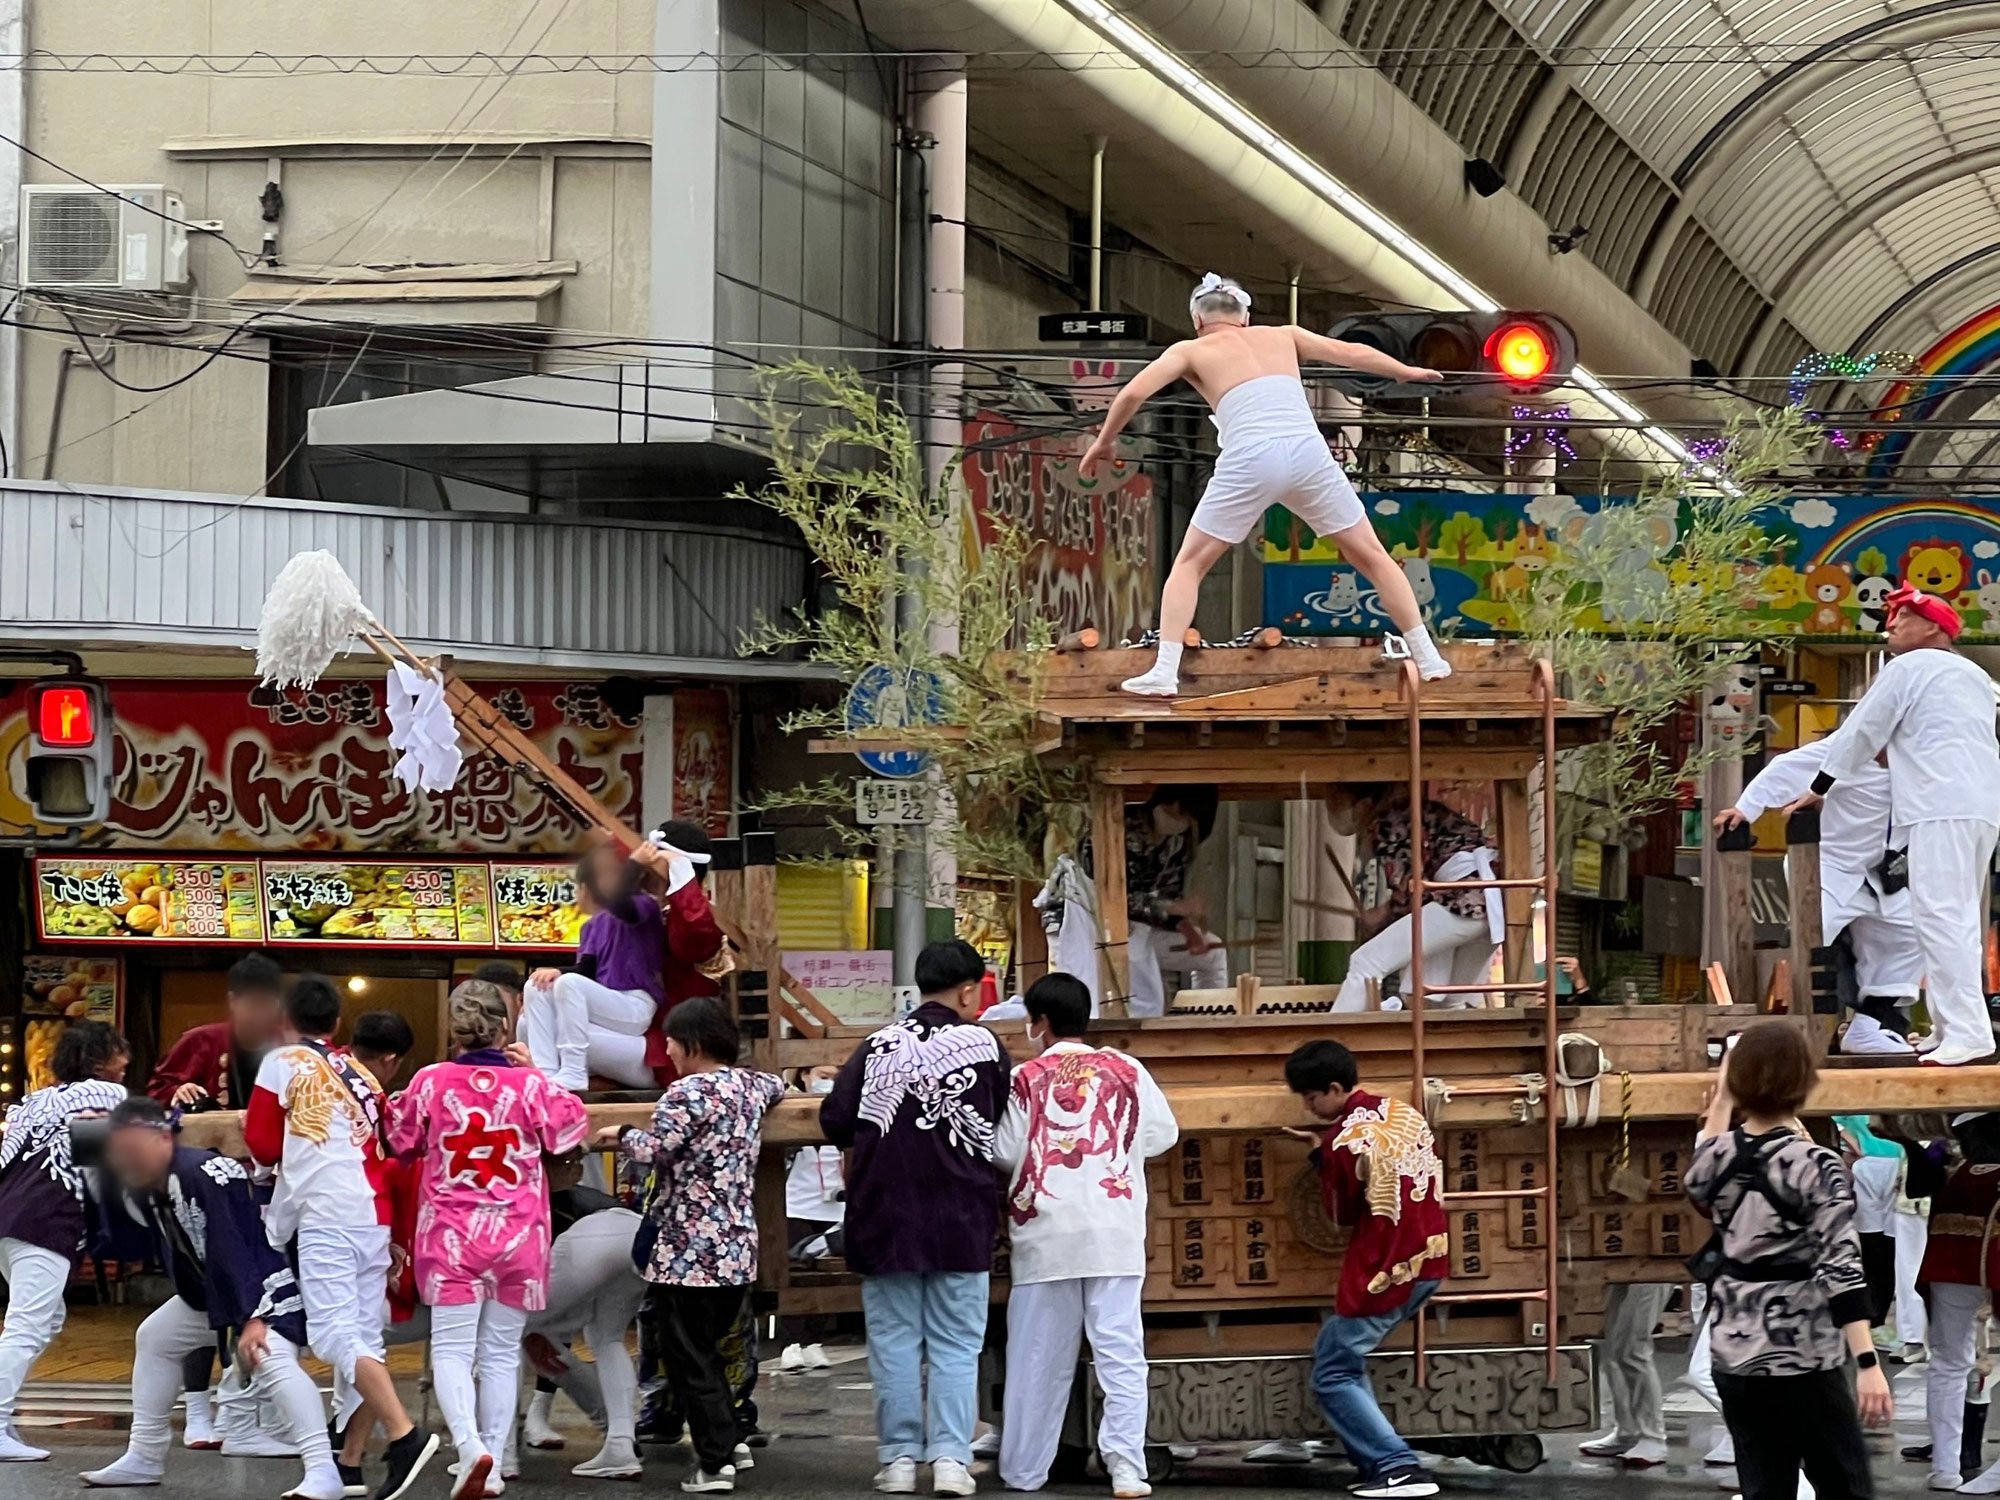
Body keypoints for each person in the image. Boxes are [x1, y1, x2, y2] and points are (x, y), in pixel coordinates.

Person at [1076, 273, 1449, 696]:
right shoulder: (1282, 335)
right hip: (1308, 453)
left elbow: (1130, 395)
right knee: (1372, 557)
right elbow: (1351, 352)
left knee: (1190, 564)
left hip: (1250, 457)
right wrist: (1405, 372)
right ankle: (1428, 655)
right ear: (1246, 316)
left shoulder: (1191, 349)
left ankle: (1165, 670)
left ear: (1197, 317)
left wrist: (1104, 442)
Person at [820, 941, 1012, 1499]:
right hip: (961, 1214)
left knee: (894, 1340)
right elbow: (1001, 1116)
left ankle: (899, 1458)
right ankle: (952, 1459)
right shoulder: (985, 1045)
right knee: (957, 1343)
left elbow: (836, 1121)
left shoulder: (877, 1044)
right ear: (970, 989)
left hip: (885, 1215)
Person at [80, 1097, 340, 1497]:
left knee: (269, 1356)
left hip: (267, 1285)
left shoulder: (206, 1171)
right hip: (214, 1291)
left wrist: (253, 1316)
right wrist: (88, 1140)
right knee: (156, 1337)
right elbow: (116, 1237)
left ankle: (324, 1469)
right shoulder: (143, 1178)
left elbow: (236, 1244)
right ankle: (145, 1455)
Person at [1785, 585, 2000, 1066]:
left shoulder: (1910, 667)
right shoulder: (1975, 676)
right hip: (1977, 807)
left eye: (1903, 616)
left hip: (1938, 804)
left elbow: (1863, 729)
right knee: (1958, 917)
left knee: (1940, 916)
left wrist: (1820, 786)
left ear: (1933, 627)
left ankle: (1966, 1031)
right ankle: (1955, 1029)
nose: (1893, 624)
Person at [389, 981, 587, 1500]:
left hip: (452, 1235)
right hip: (519, 1235)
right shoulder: (530, 1086)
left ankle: (469, 1446)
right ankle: (495, 1464)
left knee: (453, 1350)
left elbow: (401, 1141)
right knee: (500, 1352)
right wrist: (535, 1073)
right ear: (506, 1028)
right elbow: (569, 1130)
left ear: (452, 1030)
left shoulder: (431, 1082)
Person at [245, 976, 439, 1500]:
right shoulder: (362, 1074)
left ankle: (404, 1436)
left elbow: (262, 1144)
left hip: (325, 1214)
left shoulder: (281, 1062)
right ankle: (349, 1466)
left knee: (333, 1337)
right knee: (362, 1339)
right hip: (371, 1215)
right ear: (335, 1025)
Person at [1685, 1021, 1892, 1500]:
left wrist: (1722, 1098)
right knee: (1845, 1488)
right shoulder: (1816, 1165)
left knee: (1765, 1487)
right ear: (1804, 1082)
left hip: (1734, 1353)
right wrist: (1867, 1362)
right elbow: (1841, 1267)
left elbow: (1707, 1156)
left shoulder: (1715, 1159)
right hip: (1803, 1356)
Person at [993, 974, 1179, 1498]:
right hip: (1115, 1230)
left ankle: (1025, 1471)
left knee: (1037, 1358)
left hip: (1045, 1234)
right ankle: (1126, 1467)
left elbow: (1005, 1151)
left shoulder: (1026, 1077)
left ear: (1041, 1023)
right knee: (1121, 1353)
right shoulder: (1127, 1068)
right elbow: (1164, 1134)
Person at [600, 997, 784, 1495]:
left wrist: (619, 1132)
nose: (668, 1052)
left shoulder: (686, 1094)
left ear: (694, 1045)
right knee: (708, 1354)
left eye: (674, 1043)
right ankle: (729, 1442)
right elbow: (779, 1083)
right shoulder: (752, 1086)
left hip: (689, 1252)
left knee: (690, 1360)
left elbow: (656, 1148)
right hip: (736, 1248)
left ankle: (715, 1462)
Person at [1282, 1039, 1448, 1499]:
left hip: (1384, 1269)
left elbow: (1339, 1214)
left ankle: (1397, 1467)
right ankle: (1375, 1460)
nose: (1309, 1106)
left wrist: (1321, 1155)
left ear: (1334, 1087)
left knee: (1333, 1370)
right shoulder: (1402, 1112)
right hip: (1430, 1256)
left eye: (1312, 1097)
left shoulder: (1343, 1141)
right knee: (1340, 1359)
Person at [1717, 735, 1920, 1056]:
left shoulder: (1923, 757)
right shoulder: (1846, 746)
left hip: (1882, 874)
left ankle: (1870, 1026)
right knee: (1808, 946)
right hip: (1827, 870)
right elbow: (1785, 768)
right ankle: (1752, 1031)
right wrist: (1745, 809)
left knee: (1911, 934)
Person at [0, 1021, 128, 1462]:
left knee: (44, 1320)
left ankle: (3, 1413)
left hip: (8, 1214)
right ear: (97, 1060)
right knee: (27, 1326)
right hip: (47, 1219)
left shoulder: (34, 1100)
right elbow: (93, 1170)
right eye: (118, 1052)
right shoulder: (109, 1097)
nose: (126, 1061)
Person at [522, 828, 725, 1091]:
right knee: (532, 1015)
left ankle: (567, 1075)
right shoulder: (606, 922)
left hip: (662, 1049)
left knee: (558, 1021)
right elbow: (588, 970)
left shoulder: (679, 917)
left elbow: (691, 933)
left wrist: (669, 871)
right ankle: (545, 1078)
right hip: (627, 1030)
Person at [520, 1161, 649, 1480]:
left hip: (590, 1236)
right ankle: (620, 1444)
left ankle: (495, 1451)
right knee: (608, 1339)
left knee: (505, 1331)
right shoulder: (553, 1188)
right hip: (636, 1233)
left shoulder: (517, 1193)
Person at [1326, 785, 1502, 1012]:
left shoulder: (1389, 822)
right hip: (1494, 901)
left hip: (1464, 897)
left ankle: (1330, 1042)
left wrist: (1382, 915)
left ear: (1365, 804)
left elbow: (1408, 887)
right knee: (1452, 1001)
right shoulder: (1419, 811)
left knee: (1366, 962)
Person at [1913, 1111, 2000, 1492]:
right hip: (1976, 1258)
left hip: (1951, 1258)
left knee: (1949, 1364)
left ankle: (1947, 1467)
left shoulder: (1940, 1156)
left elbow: (1918, 1182)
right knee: (1952, 1364)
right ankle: (1950, 1465)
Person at [1118, 786, 1227, 1017]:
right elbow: (1114, 896)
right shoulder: (1121, 828)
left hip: (1143, 933)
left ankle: (1207, 1020)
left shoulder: (1177, 843)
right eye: (1176, 811)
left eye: (1185, 817)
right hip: (1101, 933)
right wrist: (1175, 907)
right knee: (1135, 962)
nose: (1178, 818)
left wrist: (1188, 930)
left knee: (1213, 953)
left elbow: (1169, 892)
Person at [147, 952, 285, 1112]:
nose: (260, 1015)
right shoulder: (200, 1040)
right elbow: (156, 1091)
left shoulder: (290, 1046)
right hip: (212, 1135)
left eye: (267, 1005)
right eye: (253, 1004)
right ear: (232, 1001)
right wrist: (178, 1091)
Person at [1576, 1284, 1671, 1467]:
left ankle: (1653, 1436)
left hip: (1649, 1269)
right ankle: (1627, 1430)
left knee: (1633, 1348)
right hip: (1617, 1266)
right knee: (1610, 1347)